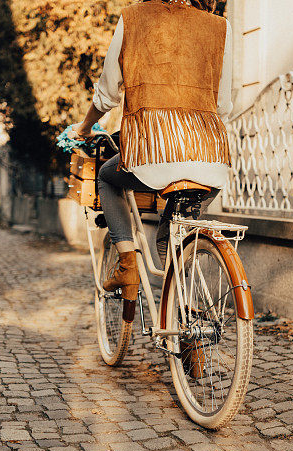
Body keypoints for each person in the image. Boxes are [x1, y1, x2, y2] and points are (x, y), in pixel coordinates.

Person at [73, 0, 234, 302]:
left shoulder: (133, 17)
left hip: (151, 154)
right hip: (211, 160)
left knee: (107, 176)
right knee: (174, 235)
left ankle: (127, 266)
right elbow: (223, 105)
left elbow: (107, 94)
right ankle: (186, 324)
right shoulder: (220, 27)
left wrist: (84, 128)